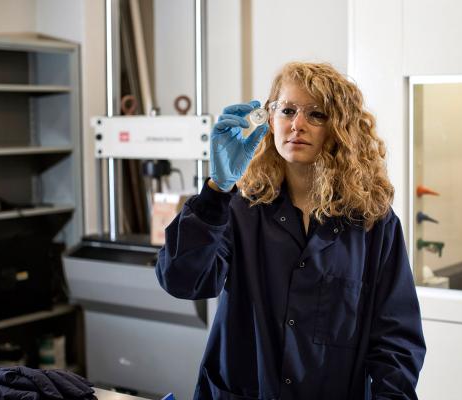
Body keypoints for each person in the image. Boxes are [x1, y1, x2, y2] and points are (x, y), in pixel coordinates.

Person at [156, 62, 425, 400]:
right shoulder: (239, 210)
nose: (297, 124)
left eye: (316, 115)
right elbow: (182, 281)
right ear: (270, 120)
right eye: (287, 110)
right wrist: (217, 189)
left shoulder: (372, 223)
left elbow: (396, 340)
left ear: (340, 129)